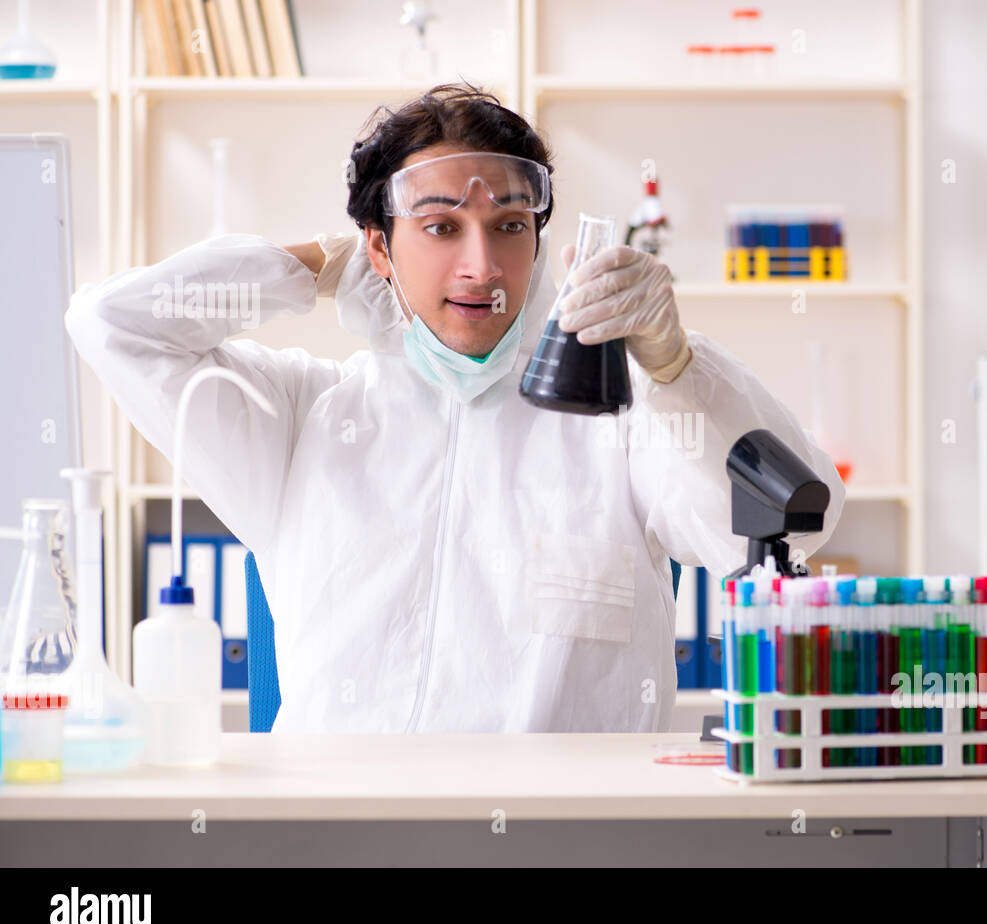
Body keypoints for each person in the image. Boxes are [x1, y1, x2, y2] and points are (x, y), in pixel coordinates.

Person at [65, 83, 845, 733]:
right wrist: (304, 267)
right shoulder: (301, 418)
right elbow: (111, 324)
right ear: (379, 247)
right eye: (439, 227)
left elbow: (805, 521)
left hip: (561, 847)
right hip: (337, 842)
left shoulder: (622, 416)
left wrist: (679, 366)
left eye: (509, 226)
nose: (480, 264)